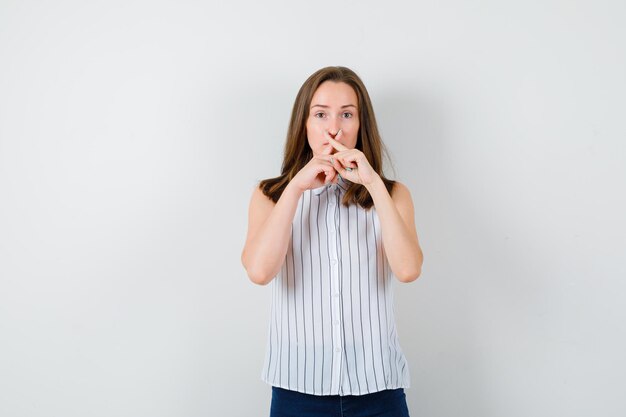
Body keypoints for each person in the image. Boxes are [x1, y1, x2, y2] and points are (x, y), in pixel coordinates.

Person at [241, 66, 424, 417]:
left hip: (379, 391)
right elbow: (260, 271)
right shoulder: (270, 195)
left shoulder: (391, 194)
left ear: (360, 124)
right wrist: (295, 188)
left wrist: (371, 183)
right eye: (321, 114)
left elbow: (408, 269)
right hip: (297, 392)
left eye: (347, 114)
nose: (334, 127)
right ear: (304, 123)